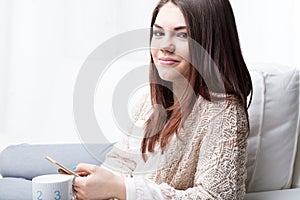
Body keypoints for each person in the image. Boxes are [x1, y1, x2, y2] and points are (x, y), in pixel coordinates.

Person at [71, 0, 253, 199]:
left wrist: (122, 189)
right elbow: (120, 164)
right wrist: (95, 184)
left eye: (183, 35)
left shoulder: (224, 113)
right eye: (158, 33)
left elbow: (215, 196)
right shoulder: (148, 101)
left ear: (210, 43)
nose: (165, 46)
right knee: (38, 169)